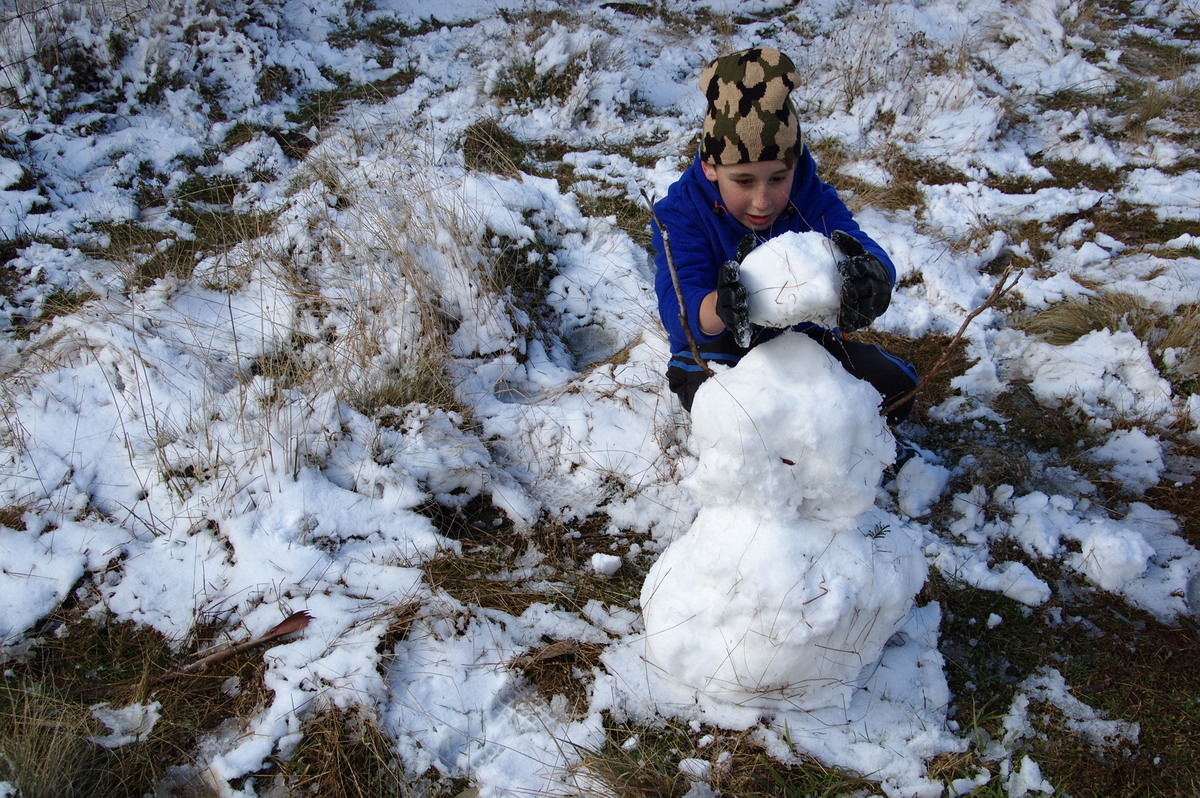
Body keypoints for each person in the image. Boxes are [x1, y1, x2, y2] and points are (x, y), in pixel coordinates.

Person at [652, 46, 918, 423]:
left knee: (898, 388)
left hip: (805, 345)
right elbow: (678, 305)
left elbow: (859, 244)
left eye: (778, 178)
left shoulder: (810, 196)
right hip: (721, 349)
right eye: (743, 181)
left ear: (795, 164)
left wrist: (873, 276)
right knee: (729, 406)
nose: (763, 201)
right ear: (711, 167)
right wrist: (721, 308)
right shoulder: (681, 212)